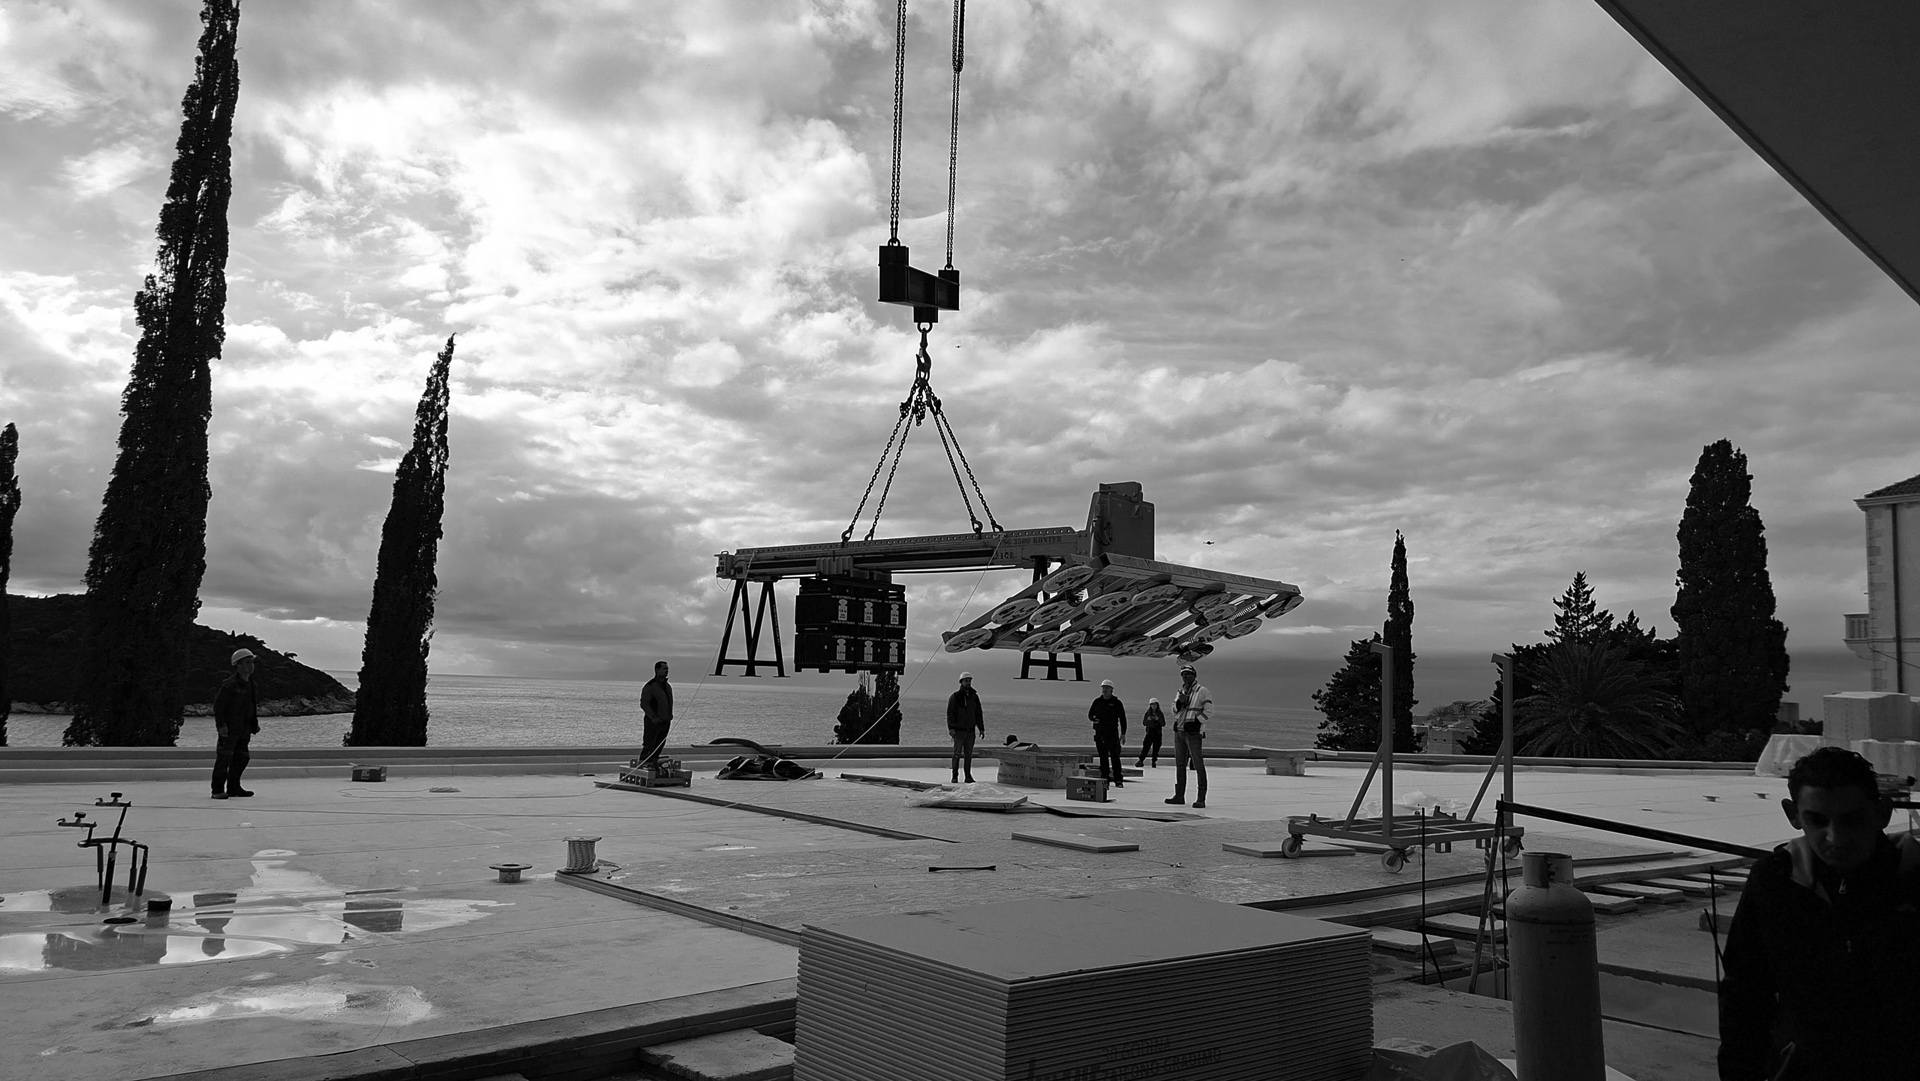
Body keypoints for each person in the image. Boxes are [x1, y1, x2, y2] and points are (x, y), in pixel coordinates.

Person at [1718, 746, 1920, 1080]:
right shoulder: (1774, 882)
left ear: (1882, 813)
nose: (1835, 837)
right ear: (1793, 814)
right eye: (1817, 820)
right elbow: (1745, 997)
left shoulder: (1915, 880)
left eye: (1851, 819)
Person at [212, 648, 260, 799]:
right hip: (230, 728)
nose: (251, 665)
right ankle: (217, 790)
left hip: (244, 728)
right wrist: (221, 726)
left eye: (252, 662)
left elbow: (251, 705)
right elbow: (219, 707)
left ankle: (234, 787)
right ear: (238, 665)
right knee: (224, 758)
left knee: (242, 757)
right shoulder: (229, 684)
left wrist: (254, 724)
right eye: (247, 662)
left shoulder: (251, 684)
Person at [1165, 664, 1210, 808]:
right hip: (1179, 731)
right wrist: (1179, 702)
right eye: (1183, 674)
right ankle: (1179, 795)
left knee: (1198, 764)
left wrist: (1197, 722)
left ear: (1194, 675)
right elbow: (1173, 710)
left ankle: (1201, 798)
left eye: (1188, 674)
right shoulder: (1180, 692)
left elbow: (1208, 711)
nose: (1185, 676)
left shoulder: (1202, 691)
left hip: (1193, 733)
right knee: (1180, 765)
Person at [946, 672, 986, 783]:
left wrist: (981, 728)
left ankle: (968, 776)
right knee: (957, 754)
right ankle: (955, 776)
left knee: (968, 755)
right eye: (966, 681)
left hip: (970, 731)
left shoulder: (974, 697)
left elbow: (978, 713)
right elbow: (950, 713)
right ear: (961, 682)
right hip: (959, 731)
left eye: (969, 680)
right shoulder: (955, 697)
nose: (968, 683)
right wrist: (951, 728)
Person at [1088, 678, 1127, 788]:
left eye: (1107, 688)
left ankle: (1118, 779)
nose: (1104, 690)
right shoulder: (1097, 702)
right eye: (1103, 688)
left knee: (1115, 757)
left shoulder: (1117, 703)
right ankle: (1105, 778)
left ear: (1111, 690)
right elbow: (1090, 715)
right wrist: (1093, 719)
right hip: (1100, 734)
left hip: (1112, 734)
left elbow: (1123, 719)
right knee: (1103, 757)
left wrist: (1123, 733)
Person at [639, 660, 673, 767]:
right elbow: (644, 704)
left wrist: (669, 716)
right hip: (653, 722)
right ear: (657, 670)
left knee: (659, 745)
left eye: (667, 669)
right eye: (664, 669)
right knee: (649, 745)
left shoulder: (667, 687)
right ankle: (644, 764)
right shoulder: (650, 686)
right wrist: (653, 717)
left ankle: (654, 764)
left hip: (665, 721)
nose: (667, 671)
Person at [1136, 697, 1166, 768]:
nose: (1153, 706)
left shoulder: (1160, 713)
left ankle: (1154, 761)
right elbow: (1144, 723)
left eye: (1155, 704)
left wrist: (1158, 719)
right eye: (1152, 704)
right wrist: (1148, 720)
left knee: (1156, 748)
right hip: (1149, 733)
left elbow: (1163, 724)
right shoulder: (1148, 713)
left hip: (1157, 733)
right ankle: (1141, 760)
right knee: (1146, 747)